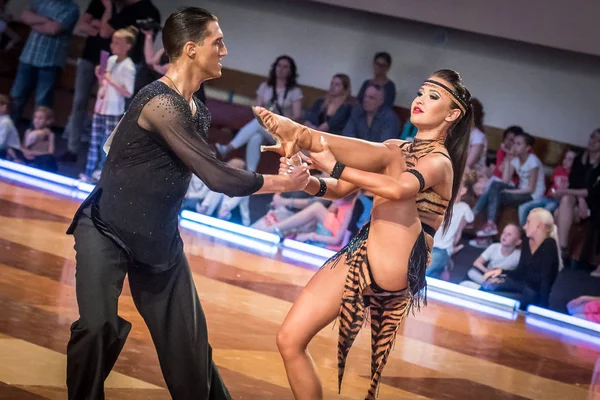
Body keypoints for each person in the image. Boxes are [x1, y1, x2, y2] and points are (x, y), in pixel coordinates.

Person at [64, 8, 310, 400]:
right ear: (192, 49)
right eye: (218, 42)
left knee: (190, 357)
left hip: (159, 244)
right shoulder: (158, 102)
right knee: (97, 327)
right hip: (106, 228)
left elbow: (205, 167)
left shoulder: (197, 112)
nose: (225, 51)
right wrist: (290, 182)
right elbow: (218, 177)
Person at [254, 69, 473, 399]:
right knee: (290, 339)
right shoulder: (394, 149)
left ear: (453, 113)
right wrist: (306, 181)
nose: (420, 100)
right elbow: (340, 189)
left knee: (388, 154)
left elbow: (399, 189)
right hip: (365, 249)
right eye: (420, 92)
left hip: (400, 259)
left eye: (433, 96)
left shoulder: (440, 162)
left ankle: (304, 134)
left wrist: (334, 164)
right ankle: (305, 136)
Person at [79, 27, 137, 183]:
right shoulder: (110, 60)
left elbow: (128, 92)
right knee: (94, 140)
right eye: (112, 42)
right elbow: (103, 83)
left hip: (113, 109)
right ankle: (89, 170)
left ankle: (101, 173)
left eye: (117, 43)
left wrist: (111, 80)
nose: (113, 45)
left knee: (107, 144)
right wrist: (100, 77)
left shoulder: (128, 66)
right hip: (101, 105)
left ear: (127, 46)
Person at [481, 208, 561, 309]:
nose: (524, 226)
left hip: (532, 294)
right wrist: (501, 271)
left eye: (528, 222)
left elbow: (546, 281)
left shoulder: (549, 245)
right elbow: (520, 272)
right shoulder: (527, 241)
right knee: (487, 286)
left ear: (539, 226)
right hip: (520, 285)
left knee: (492, 298)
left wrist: (542, 309)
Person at [7, 106, 57, 172]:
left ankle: (30, 165)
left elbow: (51, 152)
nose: (37, 120)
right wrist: (25, 153)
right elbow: (23, 147)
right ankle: (23, 163)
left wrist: (33, 153)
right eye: (35, 117)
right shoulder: (28, 131)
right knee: (10, 149)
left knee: (48, 159)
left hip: (38, 157)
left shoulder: (50, 134)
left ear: (47, 121)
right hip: (28, 156)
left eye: (40, 118)